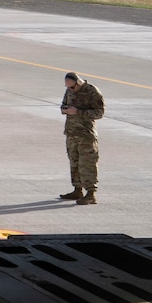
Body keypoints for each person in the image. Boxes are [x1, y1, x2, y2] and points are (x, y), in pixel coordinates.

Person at [58, 72, 105, 204]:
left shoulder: (92, 91)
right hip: (71, 133)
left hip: (86, 135)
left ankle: (91, 193)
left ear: (78, 83)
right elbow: (63, 104)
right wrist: (65, 109)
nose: (70, 89)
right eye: (68, 87)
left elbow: (99, 112)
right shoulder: (69, 90)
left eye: (72, 87)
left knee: (88, 164)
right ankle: (77, 189)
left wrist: (78, 112)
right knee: (74, 162)